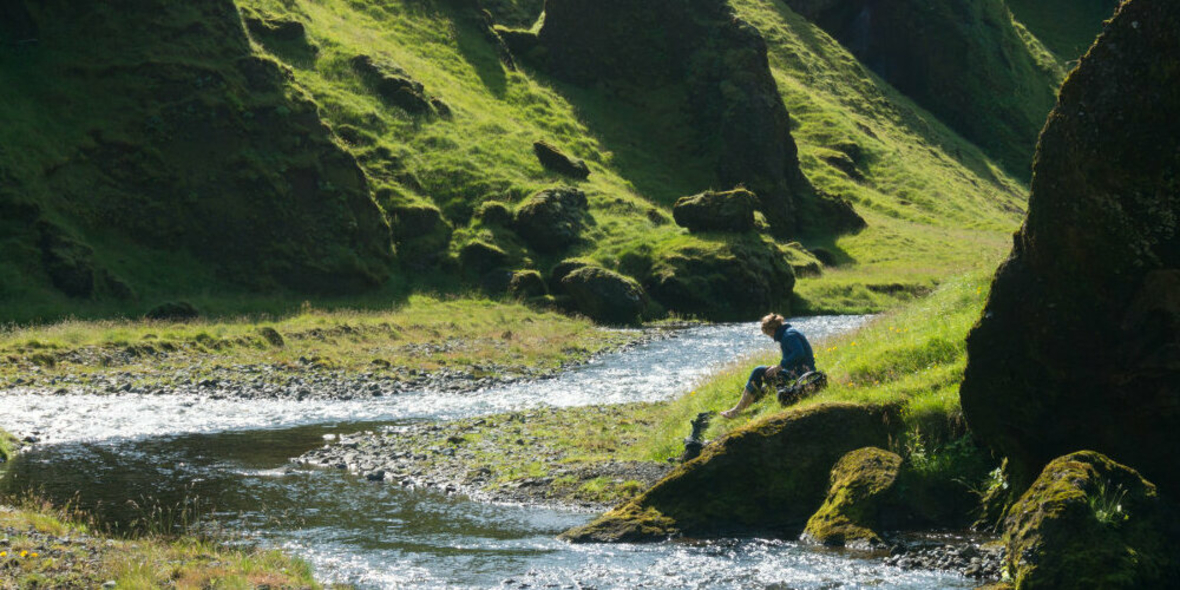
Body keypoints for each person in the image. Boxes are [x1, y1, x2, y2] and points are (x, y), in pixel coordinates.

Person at [720, 313, 815, 419]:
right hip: (798, 372)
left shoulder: (789, 336)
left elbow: (799, 353)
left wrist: (780, 367)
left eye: (769, 334)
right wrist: (778, 367)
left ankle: (737, 411)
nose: (771, 337)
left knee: (758, 371)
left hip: (801, 375)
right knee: (765, 375)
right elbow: (795, 358)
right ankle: (742, 407)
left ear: (772, 330)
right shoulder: (788, 333)